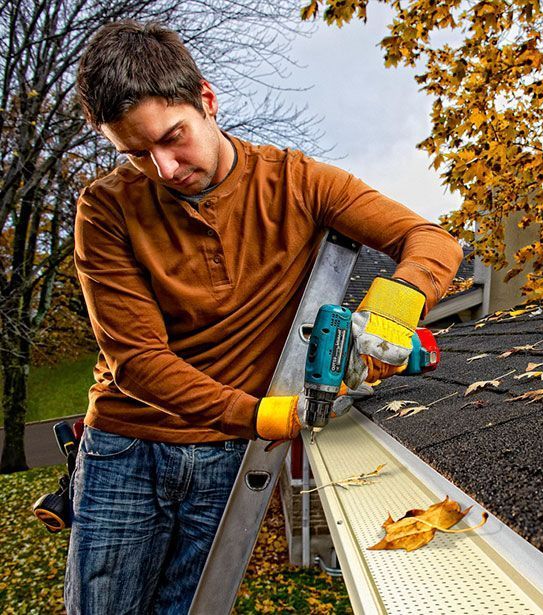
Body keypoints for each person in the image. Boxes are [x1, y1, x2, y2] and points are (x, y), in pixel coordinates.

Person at [67, 20, 463, 614]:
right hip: (128, 448)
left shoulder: (298, 183)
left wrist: (390, 313)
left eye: (174, 137)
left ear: (206, 100)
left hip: (229, 455)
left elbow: (429, 239)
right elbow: (139, 363)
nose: (165, 168)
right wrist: (260, 413)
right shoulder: (106, 210)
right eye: (137, 154)